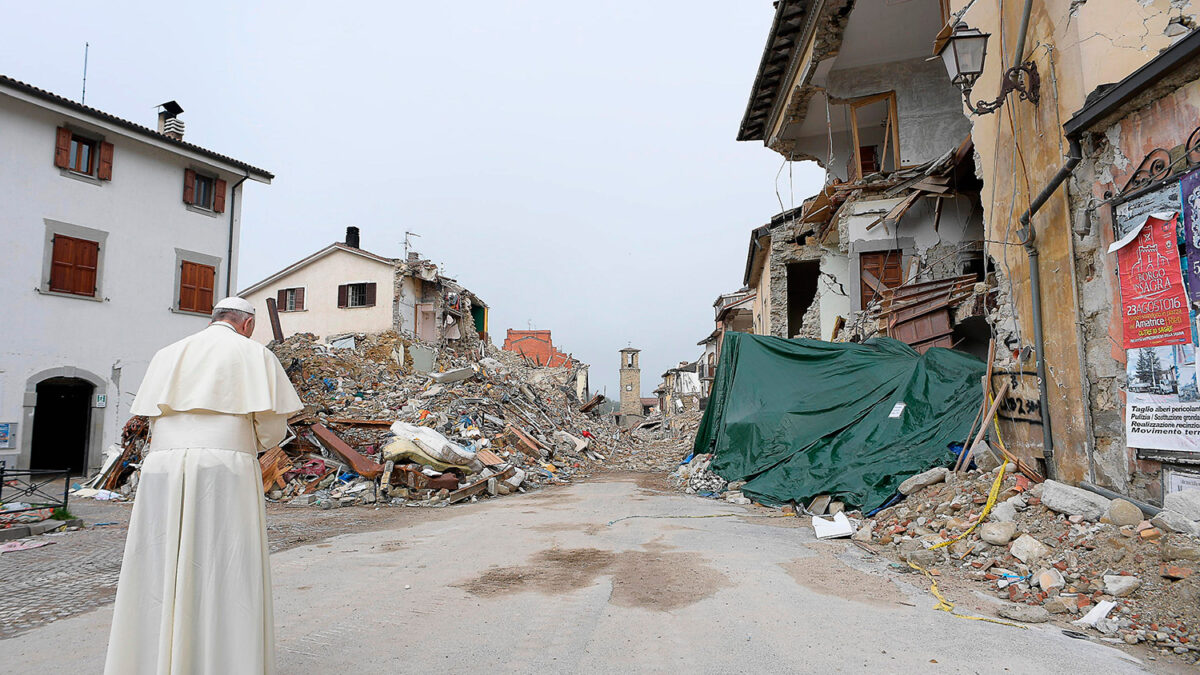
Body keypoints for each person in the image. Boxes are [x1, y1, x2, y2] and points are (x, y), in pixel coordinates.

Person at [104, 297, 302, 675]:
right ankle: (222, 661)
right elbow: (273, 428)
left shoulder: (167, 354)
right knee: (225, 563)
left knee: (159, 561)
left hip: (162, 466)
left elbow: (149, 414)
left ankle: (151, 661)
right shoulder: (254, 355)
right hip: (224, 465)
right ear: (246, 324)